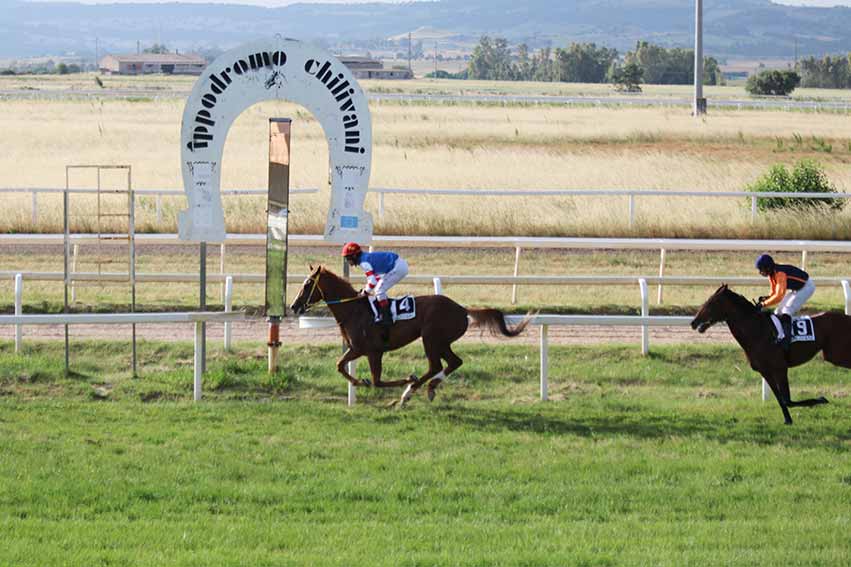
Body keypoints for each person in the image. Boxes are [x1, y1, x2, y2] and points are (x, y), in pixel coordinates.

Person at [754, 253, 815, 350]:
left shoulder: (780, 274)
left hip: (806, 287)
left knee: (787, 311)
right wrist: (766, 298)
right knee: (778, 312)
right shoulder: (772, 274)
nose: (760, 272)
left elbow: (779, 296)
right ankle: (779, 335)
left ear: (768, 267)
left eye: (761, 269)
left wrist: (763, 304)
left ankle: (788, 340)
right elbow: (774, 292)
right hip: (797, 289)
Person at [341, 242, 409, 326]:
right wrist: (366, 290)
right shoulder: (364, 258)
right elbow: (375, 278)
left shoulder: (364, 262)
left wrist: (364, 292)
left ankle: (387, 318)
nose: (348, 261)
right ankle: (385, 311)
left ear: (354, 256)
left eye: (348, 258)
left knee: (379, 291)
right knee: (379, 289)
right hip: (398, 264)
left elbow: (372, 281)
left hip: (397, 267)